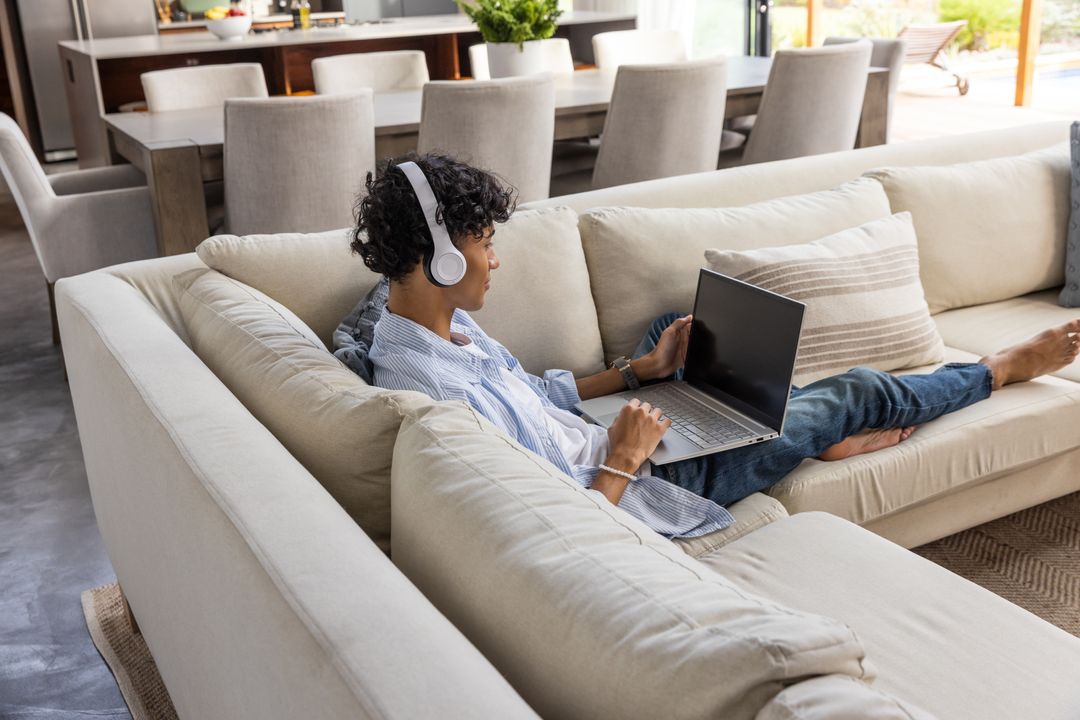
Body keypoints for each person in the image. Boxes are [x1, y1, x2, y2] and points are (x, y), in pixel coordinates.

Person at [336, 154, 1080, 539]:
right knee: (856, 389)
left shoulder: (424, 325)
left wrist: (638, 372)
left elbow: (535, 397)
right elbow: (553, 535)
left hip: (604, 440)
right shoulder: (439, 397)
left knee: (673, 328)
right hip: (647, 486)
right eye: (485, 243)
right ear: (440, 258)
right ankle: (994, 371)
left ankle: (778, 424)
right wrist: (625, 455)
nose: (496, 261)